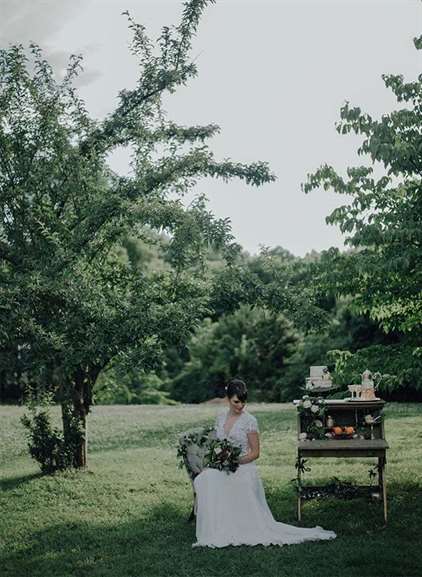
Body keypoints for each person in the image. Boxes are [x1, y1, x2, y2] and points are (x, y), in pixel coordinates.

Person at [192, 378, 336, 548]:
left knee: (230, 480)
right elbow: (216, 446)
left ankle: (238, 526)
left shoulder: (249, 421)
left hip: (244, 466)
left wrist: (234, 460)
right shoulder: (221, 417)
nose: (240, 406)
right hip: (225, 466)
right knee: (205, 478)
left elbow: (255, 453)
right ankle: (216, 526)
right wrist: (216, 462)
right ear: (228, 398)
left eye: (243, 401)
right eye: (236, 402)